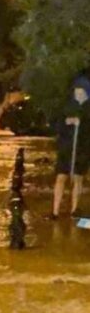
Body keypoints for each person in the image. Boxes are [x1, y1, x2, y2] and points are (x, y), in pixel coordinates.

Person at [51, 76, 90, 218]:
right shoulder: (67, 106)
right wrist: (67, 121)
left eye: (82, 92)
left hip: (82, 150)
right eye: (77, 91)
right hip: (66, 148)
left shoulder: (88, 108)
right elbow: (57, 124)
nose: (79, 94)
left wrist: (83, 123)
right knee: (61, 177)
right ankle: (55, 211)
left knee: (78, 178)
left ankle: (74, 210)